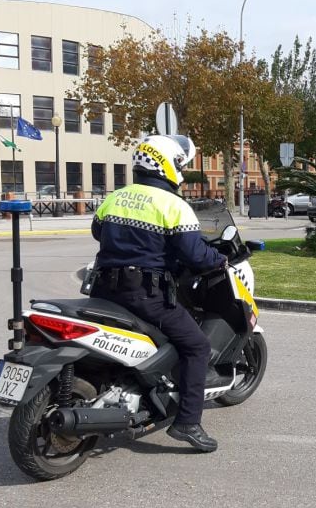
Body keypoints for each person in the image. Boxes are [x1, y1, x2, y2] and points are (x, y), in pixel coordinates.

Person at [90, 134, 226, 453]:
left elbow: (98, 231)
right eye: (179, 163)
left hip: (103, 288)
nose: (181, 168)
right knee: (196, 345)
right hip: (144, 295)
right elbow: (194, 255)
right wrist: (220, 259)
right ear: (167, 165)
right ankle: (188, 422)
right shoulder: (172, 205)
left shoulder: (117, 197)